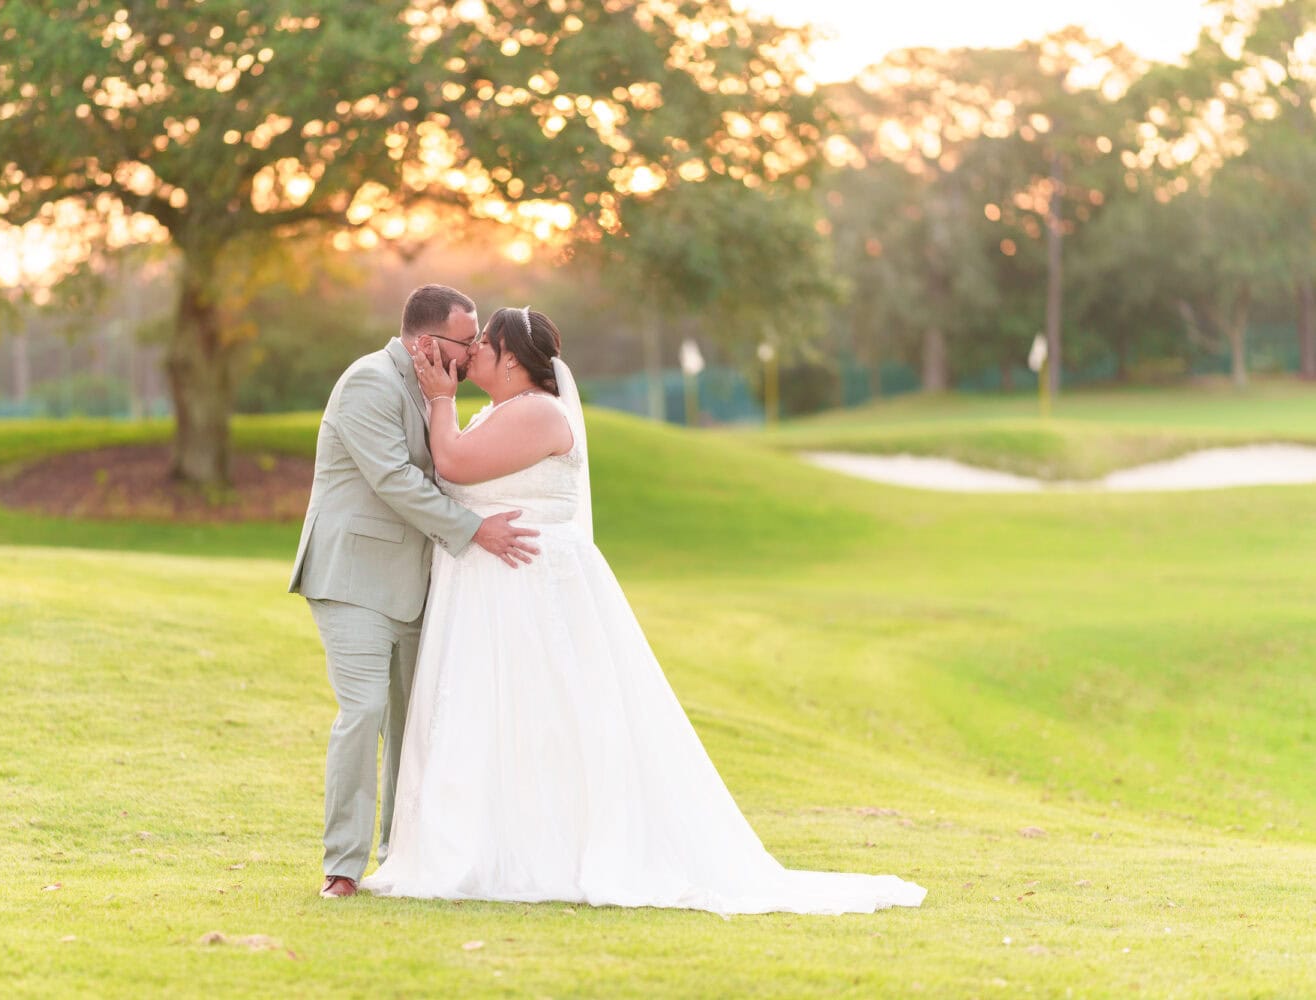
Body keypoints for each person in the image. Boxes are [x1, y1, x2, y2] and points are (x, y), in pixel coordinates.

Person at [361, 306, 926, 916]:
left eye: (483, 347)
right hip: (490, 591)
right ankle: (489, 842)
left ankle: (547, 852)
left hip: (526, 589)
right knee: (500, 717)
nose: (470, 356)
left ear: (513, 360)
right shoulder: (500, 410)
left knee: (546, 716)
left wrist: (439, 397)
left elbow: (452, 464)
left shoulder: (539, 412)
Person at [287, 285, 540, 900]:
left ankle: (400, 856)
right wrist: (475, 530)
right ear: (427, 342)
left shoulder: (438, 393)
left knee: (415, 723)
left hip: (421, 583)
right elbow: (397, 480)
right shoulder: (369, 383)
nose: (476, 349)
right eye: (467, 339)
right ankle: (342, 868)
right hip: (353, 579)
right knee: (366, 712)